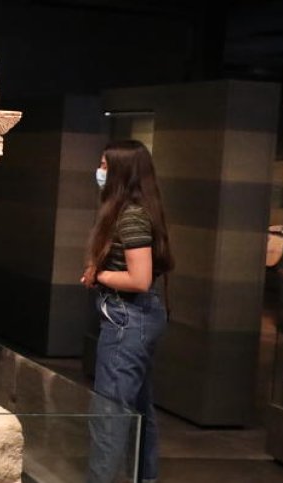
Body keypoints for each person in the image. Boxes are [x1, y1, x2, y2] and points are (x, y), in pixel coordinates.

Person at [80, 140, 174, 483]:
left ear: (120, 171)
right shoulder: (133, 211)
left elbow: (139, 278)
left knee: (109, 415)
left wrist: (99, 275)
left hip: (126, 318)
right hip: (134, 317)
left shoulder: (131, 216)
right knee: (137, 412)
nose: (100, 171)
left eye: (105, 165)